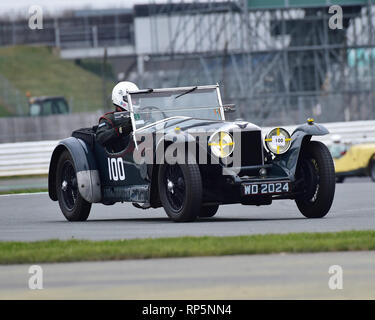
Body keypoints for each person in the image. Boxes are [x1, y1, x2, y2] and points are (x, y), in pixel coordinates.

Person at [96, 81, 139, 151]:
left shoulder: (141, 115)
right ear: (120, 99)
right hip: (121, 156)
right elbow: (101, 138)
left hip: (143, 152)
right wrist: (121, 129)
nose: (134, 102)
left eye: (135, 99)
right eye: (131, 99)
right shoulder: (109, 118)